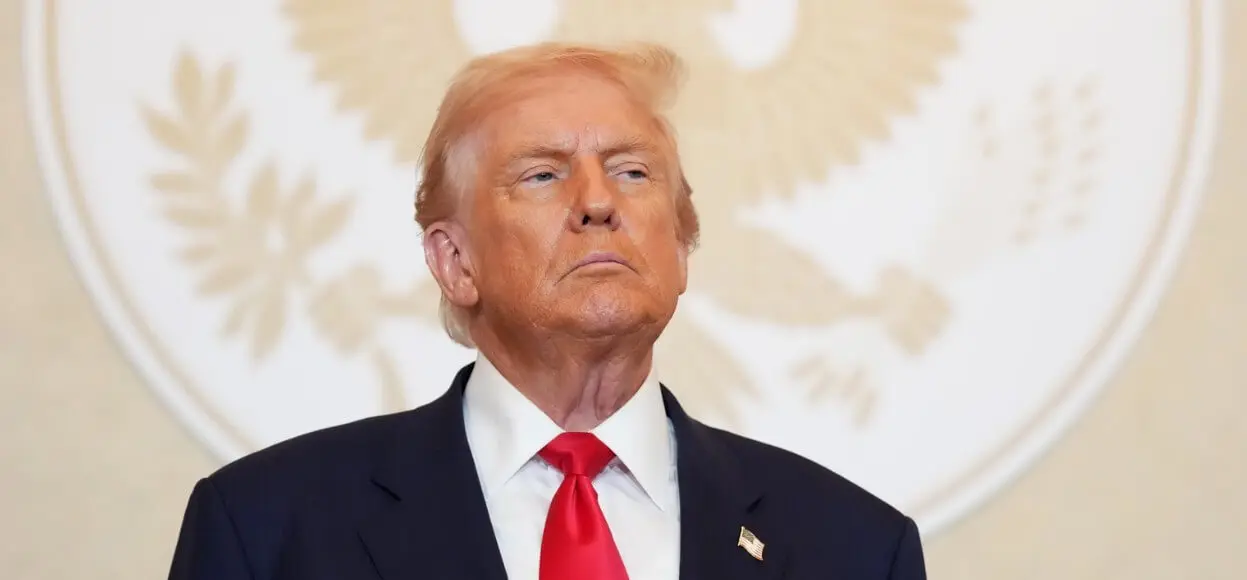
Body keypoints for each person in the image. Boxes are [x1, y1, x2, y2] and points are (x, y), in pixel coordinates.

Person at [167, 41, 927, 580]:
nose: (598, 202)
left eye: (632, 171)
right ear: (454, 262)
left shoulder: (853, 547)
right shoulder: (267, 531)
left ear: (682, 246)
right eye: (541, 175)